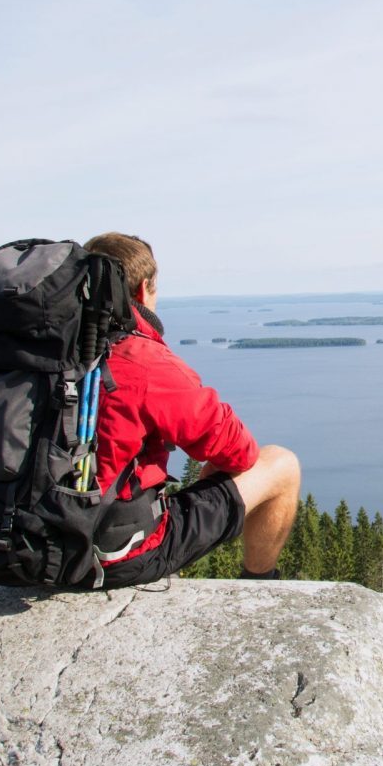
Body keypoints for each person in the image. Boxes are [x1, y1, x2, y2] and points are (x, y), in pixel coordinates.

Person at [81, 231, 300, 586]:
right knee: (281, 465)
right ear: (142, 292)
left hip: (21, 543)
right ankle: (260, 586)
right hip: (113, 557)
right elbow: (239, 452)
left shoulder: (36, 354)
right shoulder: (141, 360)